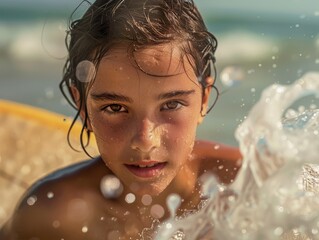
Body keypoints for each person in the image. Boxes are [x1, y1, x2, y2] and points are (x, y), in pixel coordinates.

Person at [0, 0, 241, 239]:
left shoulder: (247, 185)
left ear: (203, 100)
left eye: (171, 104)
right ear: (83, 106)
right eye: (115, 107)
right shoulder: (53, 215)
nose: (145, 141)